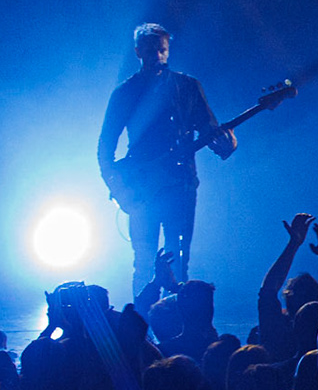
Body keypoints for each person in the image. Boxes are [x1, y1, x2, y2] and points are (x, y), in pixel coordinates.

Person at [96, 23, 233, 292]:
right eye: (150, 50)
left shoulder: (188, 86)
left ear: (168, 51)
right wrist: (119, 188)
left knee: (179, 259)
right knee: (144, 261)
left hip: (181, 183)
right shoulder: (125, 93)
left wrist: (227, 143)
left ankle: (179, 322)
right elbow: (105, 149)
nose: (157, 56)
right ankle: (142, 327)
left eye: (162, 50)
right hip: (143, 186)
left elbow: (210, 131)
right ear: (138, 52)